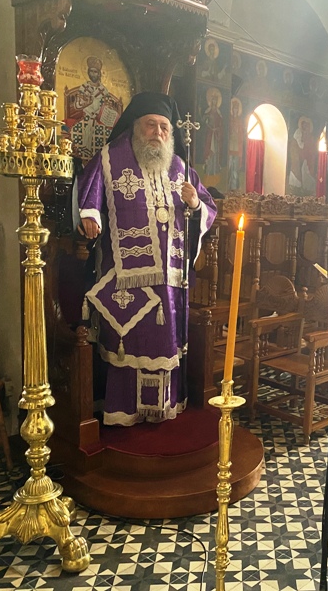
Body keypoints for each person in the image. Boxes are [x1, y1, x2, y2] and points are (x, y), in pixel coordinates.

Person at [76, 92, 217, 426]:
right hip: (125, 276)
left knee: (165, 342)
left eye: (164, 127)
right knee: (128, 341)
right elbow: (89, 192)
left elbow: (208, 210)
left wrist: (195, 204)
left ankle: (165, 407)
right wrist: (89, 214)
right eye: (151, 125)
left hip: (170, 281)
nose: (158, 133)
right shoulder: (111, 157)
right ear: (135, 127)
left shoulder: (181, 168)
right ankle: (123, 412)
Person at [64, 56, 124, 160]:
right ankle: (83, 154)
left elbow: (108, 106)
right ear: (88, 72)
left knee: (108, 137)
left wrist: (107, 107)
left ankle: (100, 158)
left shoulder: (103, 90)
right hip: (87, 118)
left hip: (100, 120)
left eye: (95, 72)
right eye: (91, 71)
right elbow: (77, 105)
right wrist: (86, 103)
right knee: (76, 132)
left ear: (99, 73)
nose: (93, 74)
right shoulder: (84, 88)